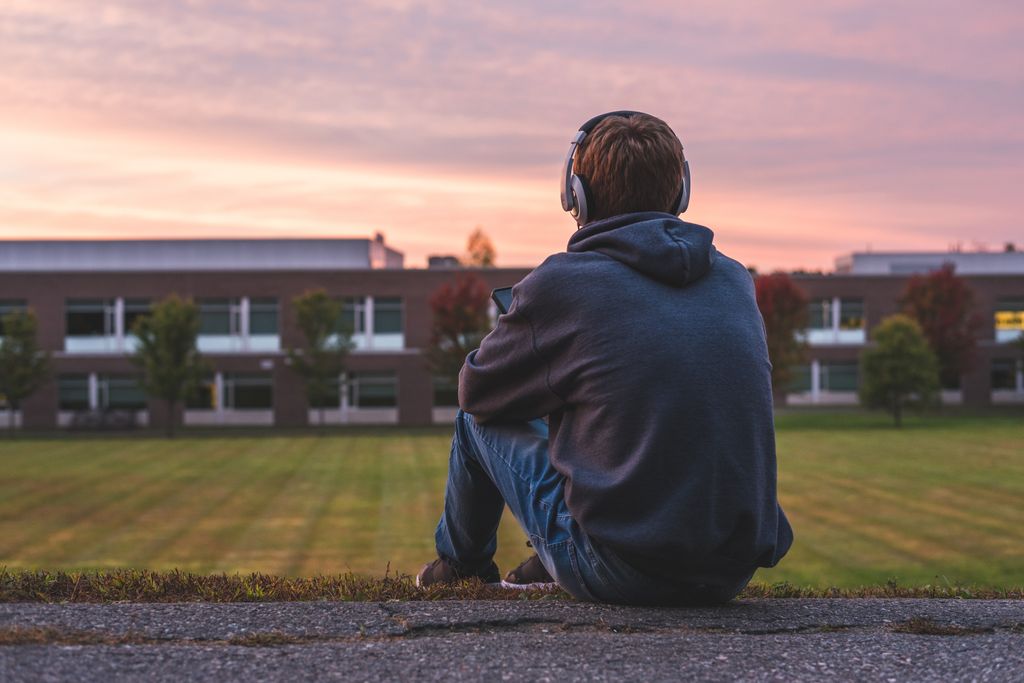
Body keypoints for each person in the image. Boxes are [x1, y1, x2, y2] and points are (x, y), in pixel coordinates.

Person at [417, 111, 793, 605]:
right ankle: (548, 561)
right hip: (729, 573)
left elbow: (478, 389)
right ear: (681, 192)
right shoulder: (733, 279)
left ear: (577, 193)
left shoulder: (564, 283)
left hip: (620, 570)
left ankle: (461, 567)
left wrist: (535, 347)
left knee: (475, 420)